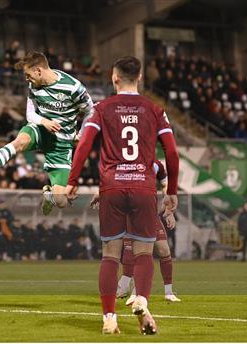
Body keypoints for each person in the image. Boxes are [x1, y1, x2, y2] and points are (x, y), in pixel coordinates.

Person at [66, 56, 179, 335]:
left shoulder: (101, 109)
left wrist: (72, 180)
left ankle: (109, 318)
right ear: (139, 78)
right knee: (143, 251)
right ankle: (140, 299)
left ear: (114, 78)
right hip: (143, 186)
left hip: (112, 187)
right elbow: (172, 153)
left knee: (110, 255)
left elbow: (83, 146)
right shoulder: (156, 110)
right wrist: (171, 191)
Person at [0, 51, 94, 215]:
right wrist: (44, 121)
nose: (26, 79)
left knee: (61, 201)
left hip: (61, 145)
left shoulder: (73, 87)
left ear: (39, 71)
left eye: (28, 75)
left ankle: (49, 195)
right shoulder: (34, 85)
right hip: (40, 130)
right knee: (18, 142)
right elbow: (30, 115)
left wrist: (82, 134)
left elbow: (91, 111)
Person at [114, 159, 181, 304]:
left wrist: (169, 213)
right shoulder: (123, 163)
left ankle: (168, 292)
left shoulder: (155, 164)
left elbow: (166, 186)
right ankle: (133, 290)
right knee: (137, 253)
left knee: (164, 250)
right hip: (130, 215)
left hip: (151, 216)